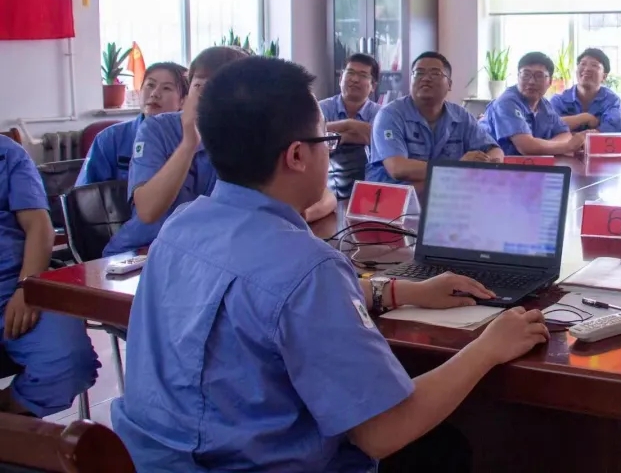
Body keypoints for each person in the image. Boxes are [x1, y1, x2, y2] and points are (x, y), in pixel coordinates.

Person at [110, 56, 550, 471]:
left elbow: (266, 302)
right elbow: (384, 430)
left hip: (149, 461)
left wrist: (402, 290)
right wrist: (488, 347)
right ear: (297, 156)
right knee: (447, 449)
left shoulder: (181, 226)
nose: (330, 152)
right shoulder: (308, 267)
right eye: (327, 141)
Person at [104, 46, 336, 256]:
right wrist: (188, 144)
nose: (211, 100)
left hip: (211, 251)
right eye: (200, 87)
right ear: (186, 94)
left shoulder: (249, 135)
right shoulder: (157, 129)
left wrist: (293, 216)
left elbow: (324, 195)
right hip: (142, 252)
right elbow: (147, 212)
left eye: (223, 90)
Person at [0, 135, 99, 417]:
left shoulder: (8, 154)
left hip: (14, 287)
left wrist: (27, 288)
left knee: (70, 361)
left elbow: (39, 226)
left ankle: (10, 415)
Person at [367, 52, 504, 183]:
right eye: (419, 73)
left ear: (449, 84)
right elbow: (398, 168)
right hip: (392, 194)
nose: (426, 78)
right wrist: (458, 169)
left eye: (435, 73)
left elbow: (494, 150)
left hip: (444, 191)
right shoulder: (390, 115)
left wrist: (490, 162)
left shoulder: (460, 116)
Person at [76, 62, 188, 186]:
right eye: (150, 85)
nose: (154, 93)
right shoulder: (109, 138)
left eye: (166, 88)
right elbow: (85, 193)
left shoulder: (191, 140)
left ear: (183, 100)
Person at [480, 52, 584, 156]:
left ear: (550, 82)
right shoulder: (506, 102)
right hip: (491, 164)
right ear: (518, 76)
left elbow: (565, 134)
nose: (531, 82)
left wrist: (543, 147)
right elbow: (526, 147)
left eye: (539, 76)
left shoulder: (544, 105)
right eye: (526, 75)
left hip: (528, 164)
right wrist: (566, 147)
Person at [319, 53, 381, 199]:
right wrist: (349, 125)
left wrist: (339, 136)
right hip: (325, 186)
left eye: (363, 75)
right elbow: (312, 134)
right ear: (341, 78)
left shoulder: (381, 114)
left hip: (368, 186)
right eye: (350, 73)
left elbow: (373, 136)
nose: (354, 79)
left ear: (373, 86)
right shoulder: (321, 108)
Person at [549, 48, 621, 133]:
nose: (587, 69)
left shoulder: (612, 101)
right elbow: (550, 126)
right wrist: (584, 118)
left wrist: (570, 135)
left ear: (604, 76)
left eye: (594, 65)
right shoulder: (559, 100)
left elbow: (611, 131)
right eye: (583, 64)